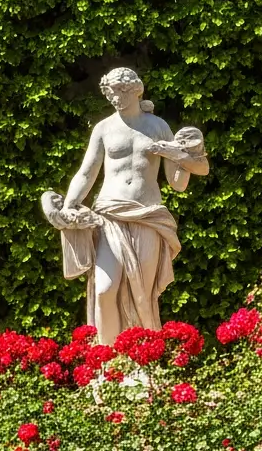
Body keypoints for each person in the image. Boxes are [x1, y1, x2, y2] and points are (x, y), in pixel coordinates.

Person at [42, 66, 208, 344]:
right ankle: (108, 363)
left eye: (120, 92)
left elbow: (178, 183)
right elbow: (86, 173)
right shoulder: (104, 128)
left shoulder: (158, 127)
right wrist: (70, 205)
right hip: (110, 215)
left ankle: (143, 362)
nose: (115, 98)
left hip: (147, 216)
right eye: (110, 93)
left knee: (143, 292)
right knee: (105, 289)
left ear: (135, 91)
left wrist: (181, 155)